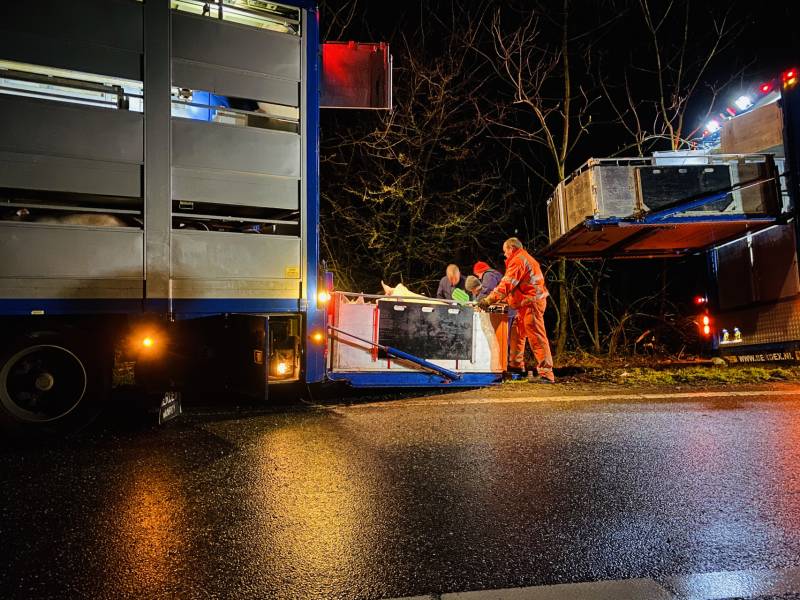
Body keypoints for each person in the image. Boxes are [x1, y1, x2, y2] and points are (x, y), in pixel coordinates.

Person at [477, 237, 554, 383]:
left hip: (531, 303)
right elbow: (514, 289)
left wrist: (489, 300)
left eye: (505, 251)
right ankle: (516, 366)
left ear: (511, 248)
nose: (504, 254)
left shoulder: (518, 260)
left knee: (536, 337)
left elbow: (506, 284)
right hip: (525, 303)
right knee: (517, 333)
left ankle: (546, 374)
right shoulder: (522, 259)